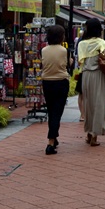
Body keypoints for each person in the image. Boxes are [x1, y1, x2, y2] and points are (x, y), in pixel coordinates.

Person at [77, 18, 105, 146]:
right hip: (99, 75)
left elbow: (80, 61)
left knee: (88, 104)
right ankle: (95, 135)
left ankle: (89, 133)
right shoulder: (103, 43)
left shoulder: (82, 44)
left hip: (86, 75)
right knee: (99, 103)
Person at [41, 25, 70, 155]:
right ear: (61, 37)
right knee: (57, 112)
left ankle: (54, 137)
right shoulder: (64, 50)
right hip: (61, 82)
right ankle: (50, 142)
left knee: (51, 110)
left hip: (47, 82)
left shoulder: (43, 50)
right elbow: (68, 65)